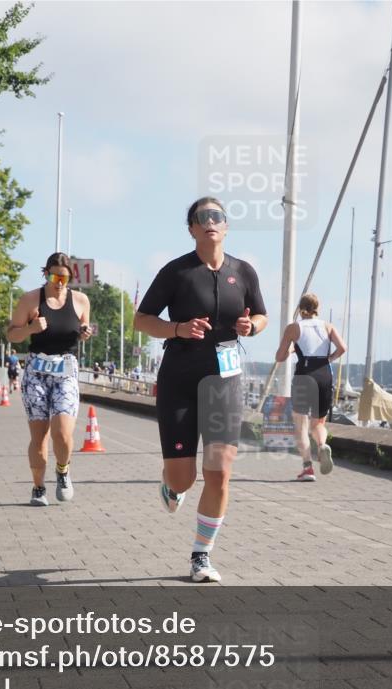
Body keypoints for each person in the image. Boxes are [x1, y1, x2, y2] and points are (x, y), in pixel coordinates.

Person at [135, 197, 267, 583]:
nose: (210, 221)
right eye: (201, 217)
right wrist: (177, 329)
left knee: (220, 471)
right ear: (191, 229)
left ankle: (201, 555)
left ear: (226, 227)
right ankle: (171, 485)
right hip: (179, 376)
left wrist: (252, 327)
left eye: (217, 216)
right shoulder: (176, 272)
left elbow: (261, 314)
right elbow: (142, 320)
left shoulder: (243, 272)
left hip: (224, 379)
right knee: (183, 479)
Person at [7, 252, 92, 507]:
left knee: (63, 434)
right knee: (39, 435)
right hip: (36, 372)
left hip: (65, 370)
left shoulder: (80, 300)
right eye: (55, 276)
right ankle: (38, 486)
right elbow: (11, 334)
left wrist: (86, 333)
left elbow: (84, 328)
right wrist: (30, 329)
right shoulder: (31, 300)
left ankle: (63, 471)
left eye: (65, 278)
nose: (60, 283)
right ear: (46, 273)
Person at [274, 293, 347, 481]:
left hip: (304, 375)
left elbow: (279, 357)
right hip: (324, 374)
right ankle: (322, 445)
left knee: (300, 425)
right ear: (317, 308)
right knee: (318, 423)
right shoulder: (328, 326)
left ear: (300, 308)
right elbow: (342, 348)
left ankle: (307, 468)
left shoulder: (294, 328)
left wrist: (291, 350)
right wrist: (329, 359)